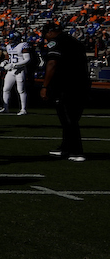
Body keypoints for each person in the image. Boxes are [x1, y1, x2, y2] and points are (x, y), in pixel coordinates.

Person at [39, 21, 91, 162]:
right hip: (81, 83)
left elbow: (52, 63)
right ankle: (66, 147)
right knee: (70, 117)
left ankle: (76, 151)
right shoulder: (74, 42)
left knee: (68, 118)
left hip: (66, 85)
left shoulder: (55, 43)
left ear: (50, 32)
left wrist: (45, 86)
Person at [0, 30, 31, 115]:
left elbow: (27, 59)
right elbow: (9, 58)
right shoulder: (8, 47)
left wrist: (14, 65)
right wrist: (5, 62)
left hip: (19, 70)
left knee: (21, 90)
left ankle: (23, 109)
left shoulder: (23, 45)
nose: (10, 41)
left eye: (11, 39)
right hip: (11, 71)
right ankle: (5, 107)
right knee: (5, 89)